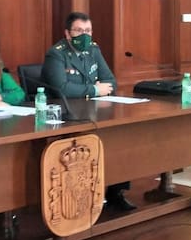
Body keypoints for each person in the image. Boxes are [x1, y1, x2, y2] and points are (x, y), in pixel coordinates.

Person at [41, 11, 136, 212]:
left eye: (88, 30)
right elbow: (61, 89)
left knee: (119, 137)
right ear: (68, 34)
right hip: (66, 115)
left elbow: (110, 80)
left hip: (93, 110)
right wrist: (94, 90)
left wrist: (98, 89)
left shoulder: (93, 50)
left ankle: (116, 192)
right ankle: (81, 196)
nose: (84, 35)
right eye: (79, 30)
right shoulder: (56, 54)